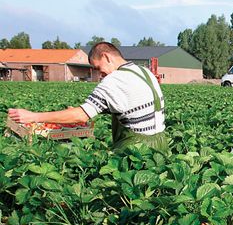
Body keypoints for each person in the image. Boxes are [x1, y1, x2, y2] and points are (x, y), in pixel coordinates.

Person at [8, 42, 168, 152]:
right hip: (160, 143)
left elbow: (80, 116)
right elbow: (130, 106)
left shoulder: (113, 80)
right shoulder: (144, 71)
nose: (100, 74)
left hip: (136, 148)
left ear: (107, 57)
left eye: (98, 67)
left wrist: (34, 117)